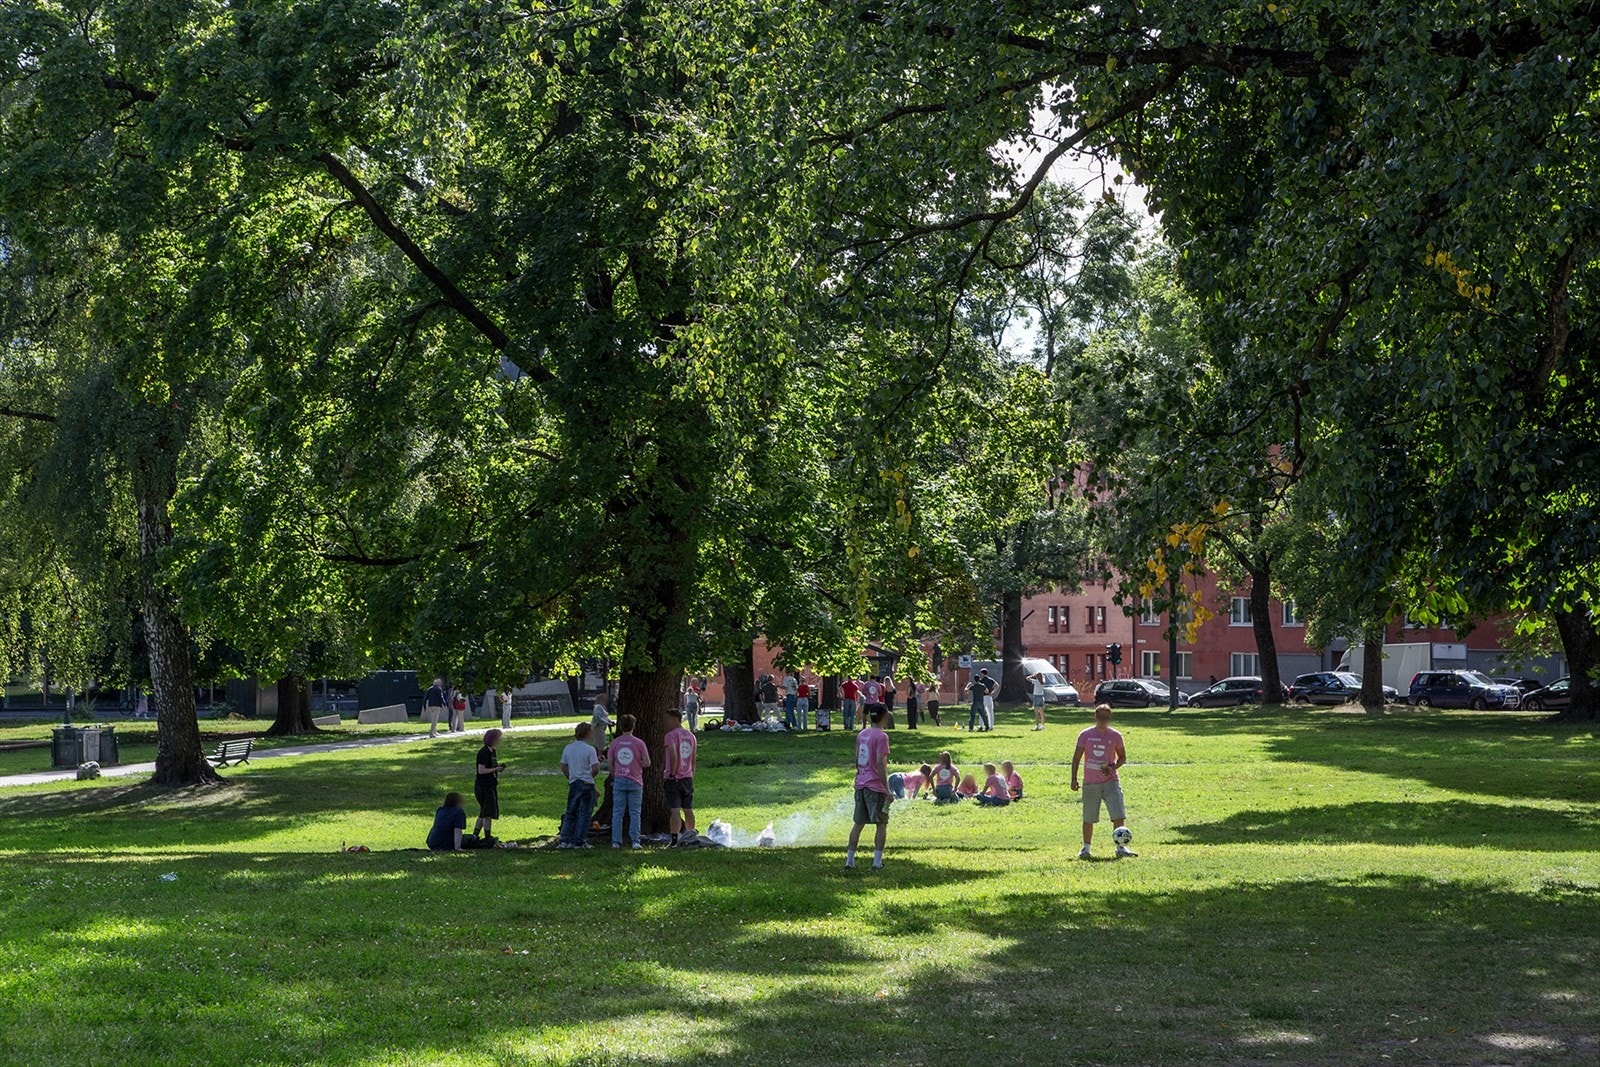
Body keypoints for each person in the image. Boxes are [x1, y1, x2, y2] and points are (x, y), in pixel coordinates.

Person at [1072, 703, 1136, 859]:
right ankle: (1086, 848)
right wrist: (1073, 778)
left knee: (1118, 813)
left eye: (1106, 718)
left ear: (1109, 718)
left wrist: (1112, 767)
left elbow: (1122, 757)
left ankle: (1121, 848)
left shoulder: (1115, 736)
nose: (1103, 721)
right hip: (1091, 783)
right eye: (1100, 717)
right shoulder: (1085, 735)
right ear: (1095, 717)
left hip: (1111, 781)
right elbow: (1076, 757)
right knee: (1089, 817)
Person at [845, 705, 892, 869]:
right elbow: (880, 763)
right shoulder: (882, 737)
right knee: (881, 823)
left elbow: (857, 758)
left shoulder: (862, 734)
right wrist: (886, 788)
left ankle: (849, 861)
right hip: (875, 786)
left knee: (858, 824)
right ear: (883, 717)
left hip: (861, 784)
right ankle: (877, 862)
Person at [608, 714, 651, 849]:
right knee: (635, 812)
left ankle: (616, 841)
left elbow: (610, 762)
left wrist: (614, 774)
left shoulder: (615, 743)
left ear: (620, 727)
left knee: (617, 813)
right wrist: (638, 763)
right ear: (633, 726)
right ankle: (635, 841)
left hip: (620, 779)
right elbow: (647, 763)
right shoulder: (639, 743)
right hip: (635, 780)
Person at [558, 723, 600, 848]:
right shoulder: (590, 749)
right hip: (586, 783)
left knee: (571, 812)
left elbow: (564, 766)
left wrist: (570, 776)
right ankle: (580, 841)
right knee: (585, 813)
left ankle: (564, 839)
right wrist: (589, 776)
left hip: (574, 782)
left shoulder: (568, 748)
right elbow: (596, 768)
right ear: (588, 734)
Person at [663, 708, 698, 846]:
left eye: (667, 719)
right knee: (688, 809)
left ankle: (674, 840)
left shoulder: (670, 736)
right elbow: (694, 759)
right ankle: (691, 836)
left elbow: (673, 756)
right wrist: (691, 774)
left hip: (674, 777)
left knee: (675, 810)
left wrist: (672, 773)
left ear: (674, 719)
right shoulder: (691, 736)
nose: (665, 723)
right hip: (688, 777)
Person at [473, 728, 506, 840]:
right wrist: (496, 769)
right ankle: (488, 837)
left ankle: (474, 835)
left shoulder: (492, 751)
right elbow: (481, 770)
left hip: (491, 784)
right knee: (487, 813)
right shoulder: (483, 752)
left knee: (484, 812)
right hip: (484, 786)